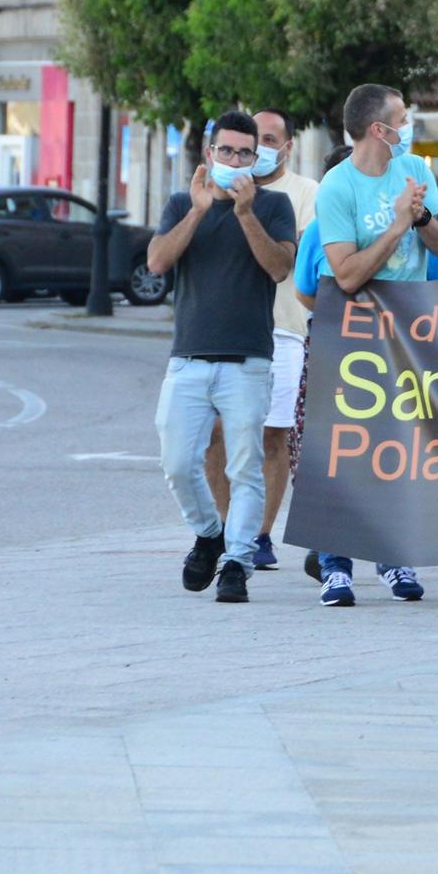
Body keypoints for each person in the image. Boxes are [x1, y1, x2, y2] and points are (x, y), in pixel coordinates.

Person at [311, 83, 438, 606]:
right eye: (403, 117)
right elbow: (346, 274)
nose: (409, 124)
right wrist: (397, 225)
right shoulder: (337, 186)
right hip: (350, 334)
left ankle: (394, 557)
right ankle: (335, 566)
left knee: (398, 449)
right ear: (379, 129)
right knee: (345, 451)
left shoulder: (415, 171)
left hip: (405, 333)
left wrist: (420, 218)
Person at [143, 111, 298, 602]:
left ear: (258, 158)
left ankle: (236, 560)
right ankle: (209, 533)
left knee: (246, 466)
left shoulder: (273, 206)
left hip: (248, 359)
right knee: (176, 460)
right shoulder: (180, 202)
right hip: (188, 357)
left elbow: (279, 268)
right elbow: (157, 261)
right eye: (226, 151)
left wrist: (245, 213)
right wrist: (197, 209)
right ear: (209, 154)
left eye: (245, 153)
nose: (235, 160)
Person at [199, 107, 317, 572]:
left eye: (269, 142)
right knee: (216, 437)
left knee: (272, 436)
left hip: (286, 329)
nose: (258, 151)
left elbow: (296, 257)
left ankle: (261, 534)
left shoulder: (305, 194)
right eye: (251, 143)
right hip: (227, 332)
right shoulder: (212, 193)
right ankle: (231, 530)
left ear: (287, 147)